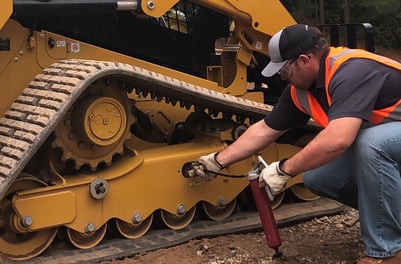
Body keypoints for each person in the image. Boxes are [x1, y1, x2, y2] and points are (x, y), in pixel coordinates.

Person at [196, 24, 401, 264]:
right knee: (318, 177)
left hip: (384, 141)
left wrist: (285, 169)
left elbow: (338, 139)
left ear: (305, 60)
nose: (281, 77)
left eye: (284, 69)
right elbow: (264, 130)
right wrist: (218, 161)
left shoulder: (350, 72)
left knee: (371, 144)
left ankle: (388, 252)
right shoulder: (302, 90)